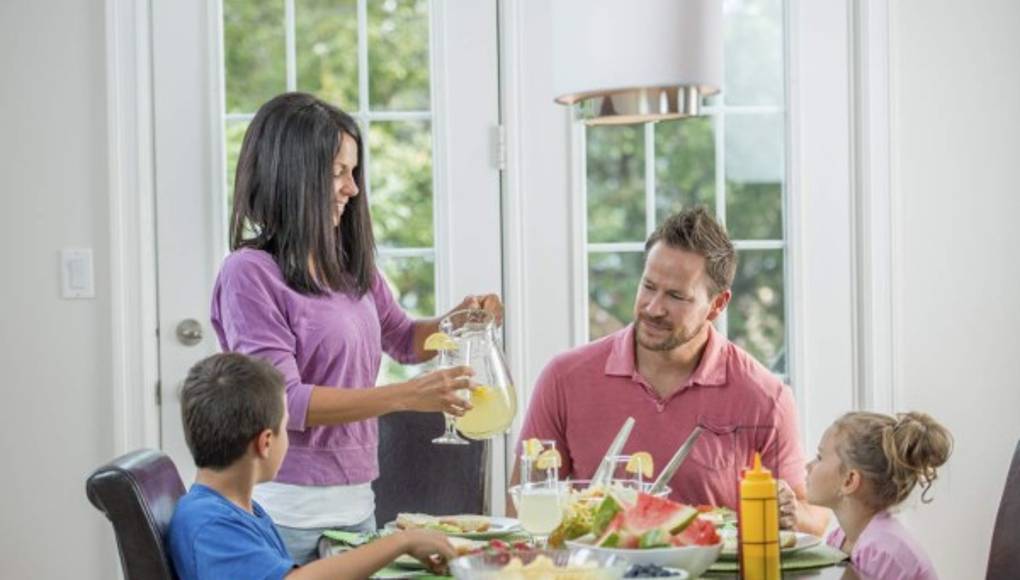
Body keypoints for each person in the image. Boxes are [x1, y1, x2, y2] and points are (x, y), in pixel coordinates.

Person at [211, 91, 502, 563]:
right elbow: (287, 402)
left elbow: (404, 338)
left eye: (354, 173)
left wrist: (459, 320)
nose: (352, 188)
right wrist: (407, 396)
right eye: (338, 173)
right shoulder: (249, 274)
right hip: (288, 511)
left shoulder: (348, 267)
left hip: (357, 504)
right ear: (295, 177)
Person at [515, 206, 828, 535]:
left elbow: (813, 518)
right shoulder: (565, 378)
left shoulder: (766, 397)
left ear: (718, 304)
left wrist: (791, 514)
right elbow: (524, 510)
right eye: (649, 286)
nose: (653, 308)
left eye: (677, 296)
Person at [166, 352, 456, 580]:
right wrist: (400, 542)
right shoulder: (210, 523)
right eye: (285, 429)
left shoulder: (231, 509)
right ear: (265, 443)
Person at [807, 411, 952, 580]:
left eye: (819, 457)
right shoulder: (839, 538)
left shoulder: (883, 553)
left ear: (849, 480)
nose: (807, 466)